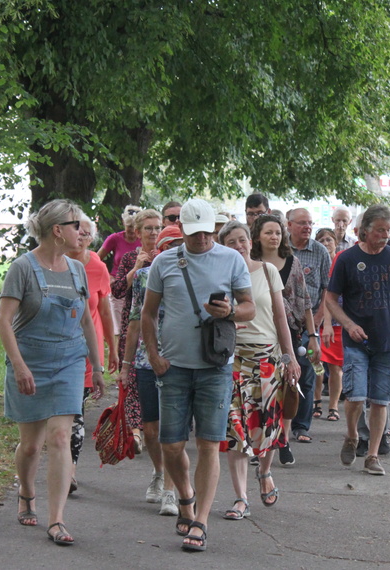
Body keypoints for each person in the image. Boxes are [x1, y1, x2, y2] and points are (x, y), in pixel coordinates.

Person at [141, 198, 255, 552]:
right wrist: (155, 356)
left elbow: (249, 308)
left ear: (215, 230)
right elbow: (147, 314)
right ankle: (186, 497)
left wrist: (230, 311)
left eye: (208, 233)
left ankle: (200, 522)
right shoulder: (164, 262)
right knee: (171, 445)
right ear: (184, 232)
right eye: (195, 234)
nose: (203, 239)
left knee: (208, 444)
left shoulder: (231, 259)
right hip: (173, 367)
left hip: (215, 367)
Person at [0, 199, 107, 546]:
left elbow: (88, 319)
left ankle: (56, 519)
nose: (83, 231)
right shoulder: (23, 268)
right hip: (30, 362)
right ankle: (26, 493)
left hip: (70, 362)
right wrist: (18, 366)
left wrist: (98, 365)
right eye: (77, 225)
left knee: (60, 437)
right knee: (31, 446)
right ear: (58, 231)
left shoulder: (76, 270)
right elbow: (3, 321)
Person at [217, 221, 300, 520]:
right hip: (230, 358)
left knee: (266, 425)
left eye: (242, 240)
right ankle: (240, 498)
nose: (238, 246)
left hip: (267, 357)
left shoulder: (268, 272)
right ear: (222, 246)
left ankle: (264, 472)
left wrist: (290, 356)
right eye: (231, 242)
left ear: (250, 243)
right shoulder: (219, 274)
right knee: (234, 428)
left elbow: (280, 316)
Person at [326, 204, 390, 477]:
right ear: (365, 231)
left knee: (381, 399)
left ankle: (373, 455)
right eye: (379, 230)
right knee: (355, 396)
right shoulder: (346, 259)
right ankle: (352, 435)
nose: (385, 235)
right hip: (356, 342)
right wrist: (348, 324)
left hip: (387, 341)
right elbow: (330, 299)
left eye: (388, 230)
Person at [120, 225, 184, 517]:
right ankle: (159, 472)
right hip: (148, 361)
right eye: (170, 245)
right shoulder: (145, 277)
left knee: (173, 429)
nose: (175, 250)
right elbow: (135, 322)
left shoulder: (192, 274)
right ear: (160, 249)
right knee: (151, 428)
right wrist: (126, 364)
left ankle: (170, 491)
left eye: (179, 245)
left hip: (181, 362)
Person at [251, 214, 315, 466]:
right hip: (260, 332)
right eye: (268, 232)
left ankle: (284, 438)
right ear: (257, 236)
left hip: (289, 333)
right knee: (260, 391)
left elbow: (305, 301)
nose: (274, 237)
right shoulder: (251, 263)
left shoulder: (292, 262)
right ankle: (259, 441)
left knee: (287, 388)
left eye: (277, 232)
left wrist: (314, 337)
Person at [66, 216, 118, 494]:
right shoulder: (54, 262)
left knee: (76, 413)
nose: (82, 238)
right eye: (79, 232)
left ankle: (70, 472)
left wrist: (110, 347)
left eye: (88, 234)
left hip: (87, 350)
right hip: (56, 348)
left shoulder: (98, 266)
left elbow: (106, 311)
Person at [111, 209, 163, 455]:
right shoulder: (131, 258)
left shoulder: (167, 257)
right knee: (131, 375)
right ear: (138, 232)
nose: (154, 232)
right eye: (149, 228)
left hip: (161, 327)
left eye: (157, 227)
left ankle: (153, 427)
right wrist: (138, 267)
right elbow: (119, 290)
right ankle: (136, 431)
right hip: (133, 323)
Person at [285, 208, 326, 444]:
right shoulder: (281, 250)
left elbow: (327, 289)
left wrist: (319, 320)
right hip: (284, 325)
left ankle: (302, 427)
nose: (307, 227)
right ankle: (280, 424)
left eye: (310, 223)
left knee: (308, 374)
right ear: (289, 225)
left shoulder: (319, 252)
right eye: (302, 223)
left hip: (310, 325)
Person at [96, 205, 142, 336]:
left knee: (136, 328)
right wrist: (108, 277)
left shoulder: (144, 240)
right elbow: (96, 260)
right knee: (119, 329)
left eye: (134, 227)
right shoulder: (115, 238)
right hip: (119, 286)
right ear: (123, 223)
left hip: (138, 286)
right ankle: (117, 355)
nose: (132, 230)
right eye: (129, 226)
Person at [313, 228, 342, 422]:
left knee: (335, 367)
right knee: (317, 363)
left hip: (339, 322)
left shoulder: (342, 263)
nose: (326, 243)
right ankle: (316, 401)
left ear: (335, 243)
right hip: (317, 320)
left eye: (329, 239)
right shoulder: (316, 264)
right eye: (321, 240)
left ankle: (333, 406)